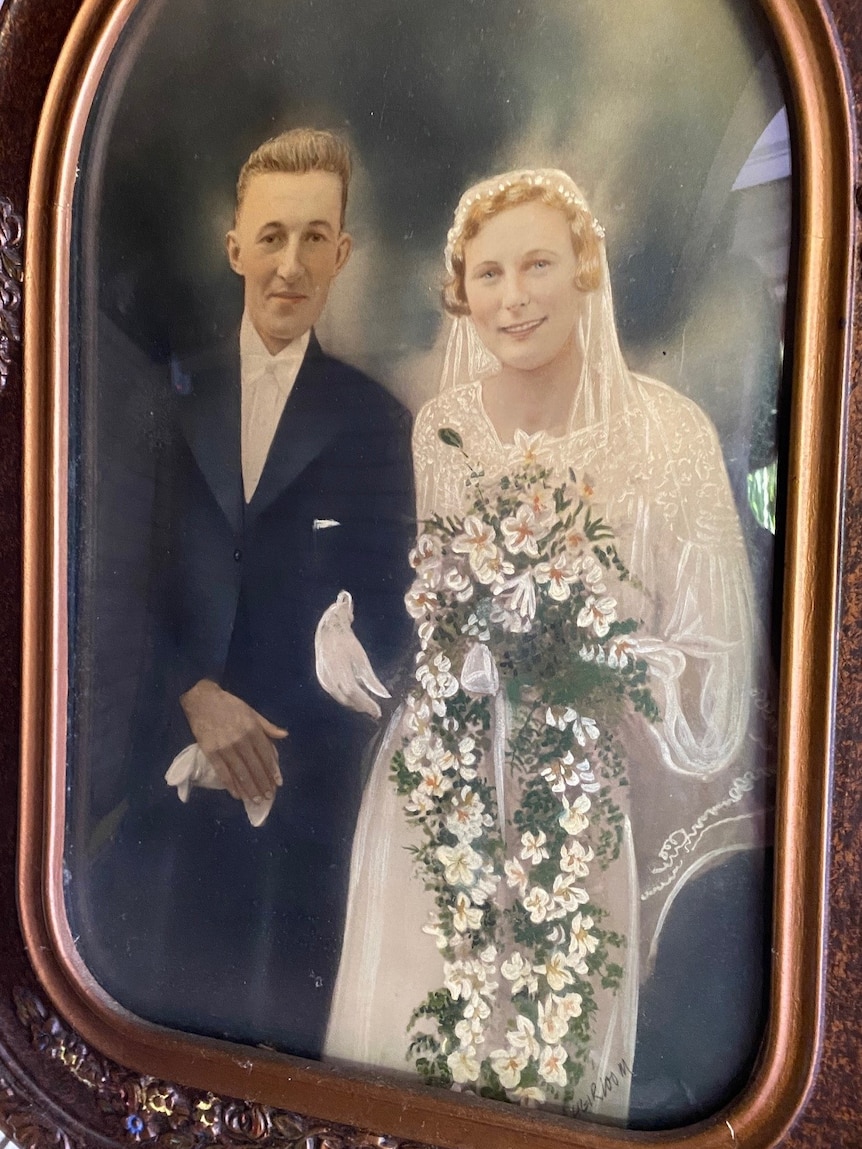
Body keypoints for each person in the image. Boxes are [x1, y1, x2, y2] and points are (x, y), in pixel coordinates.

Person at [323, 169, 771, 1125]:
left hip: (575, 792)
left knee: (543, 1049)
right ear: (460, 291)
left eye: (537, 265)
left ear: (585, 273)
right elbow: (438, 605)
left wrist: (594, 664)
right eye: (487, 274)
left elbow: (715, 648)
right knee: (412, 1033)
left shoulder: (671, 432)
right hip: (434, 785)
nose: (512, 297)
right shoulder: (442, 429)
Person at [74, 129, 416, 1058]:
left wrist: (322, 689)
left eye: (315, 239)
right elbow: (104, 590)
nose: (290, 265)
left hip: (298, 814)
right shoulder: (158, 401)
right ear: (234, 248)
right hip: (157, 794)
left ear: (342, 254)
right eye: (271, 237)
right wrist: (190, 694)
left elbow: (393, 618)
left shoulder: (377, 424)